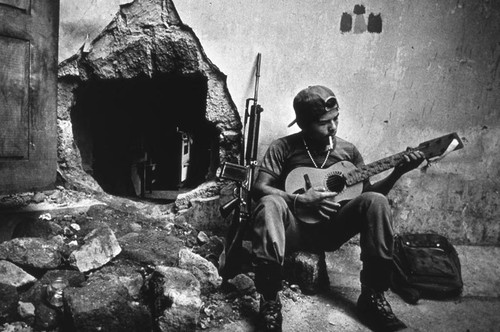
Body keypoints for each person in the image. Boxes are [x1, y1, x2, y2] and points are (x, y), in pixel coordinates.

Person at [251, 85, 425, 332]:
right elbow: (259, 188)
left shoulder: (348, 151)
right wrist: (298, 200)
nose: (332, 127)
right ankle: (269, 302)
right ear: (302, 123)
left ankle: (372, 296)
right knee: (269, 203)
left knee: (377, 201)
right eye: (324, 122)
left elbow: (368, 198)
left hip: (333, 229)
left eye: (336, 119)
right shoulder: (283, 147)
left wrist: (398, 172)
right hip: (294, 231)